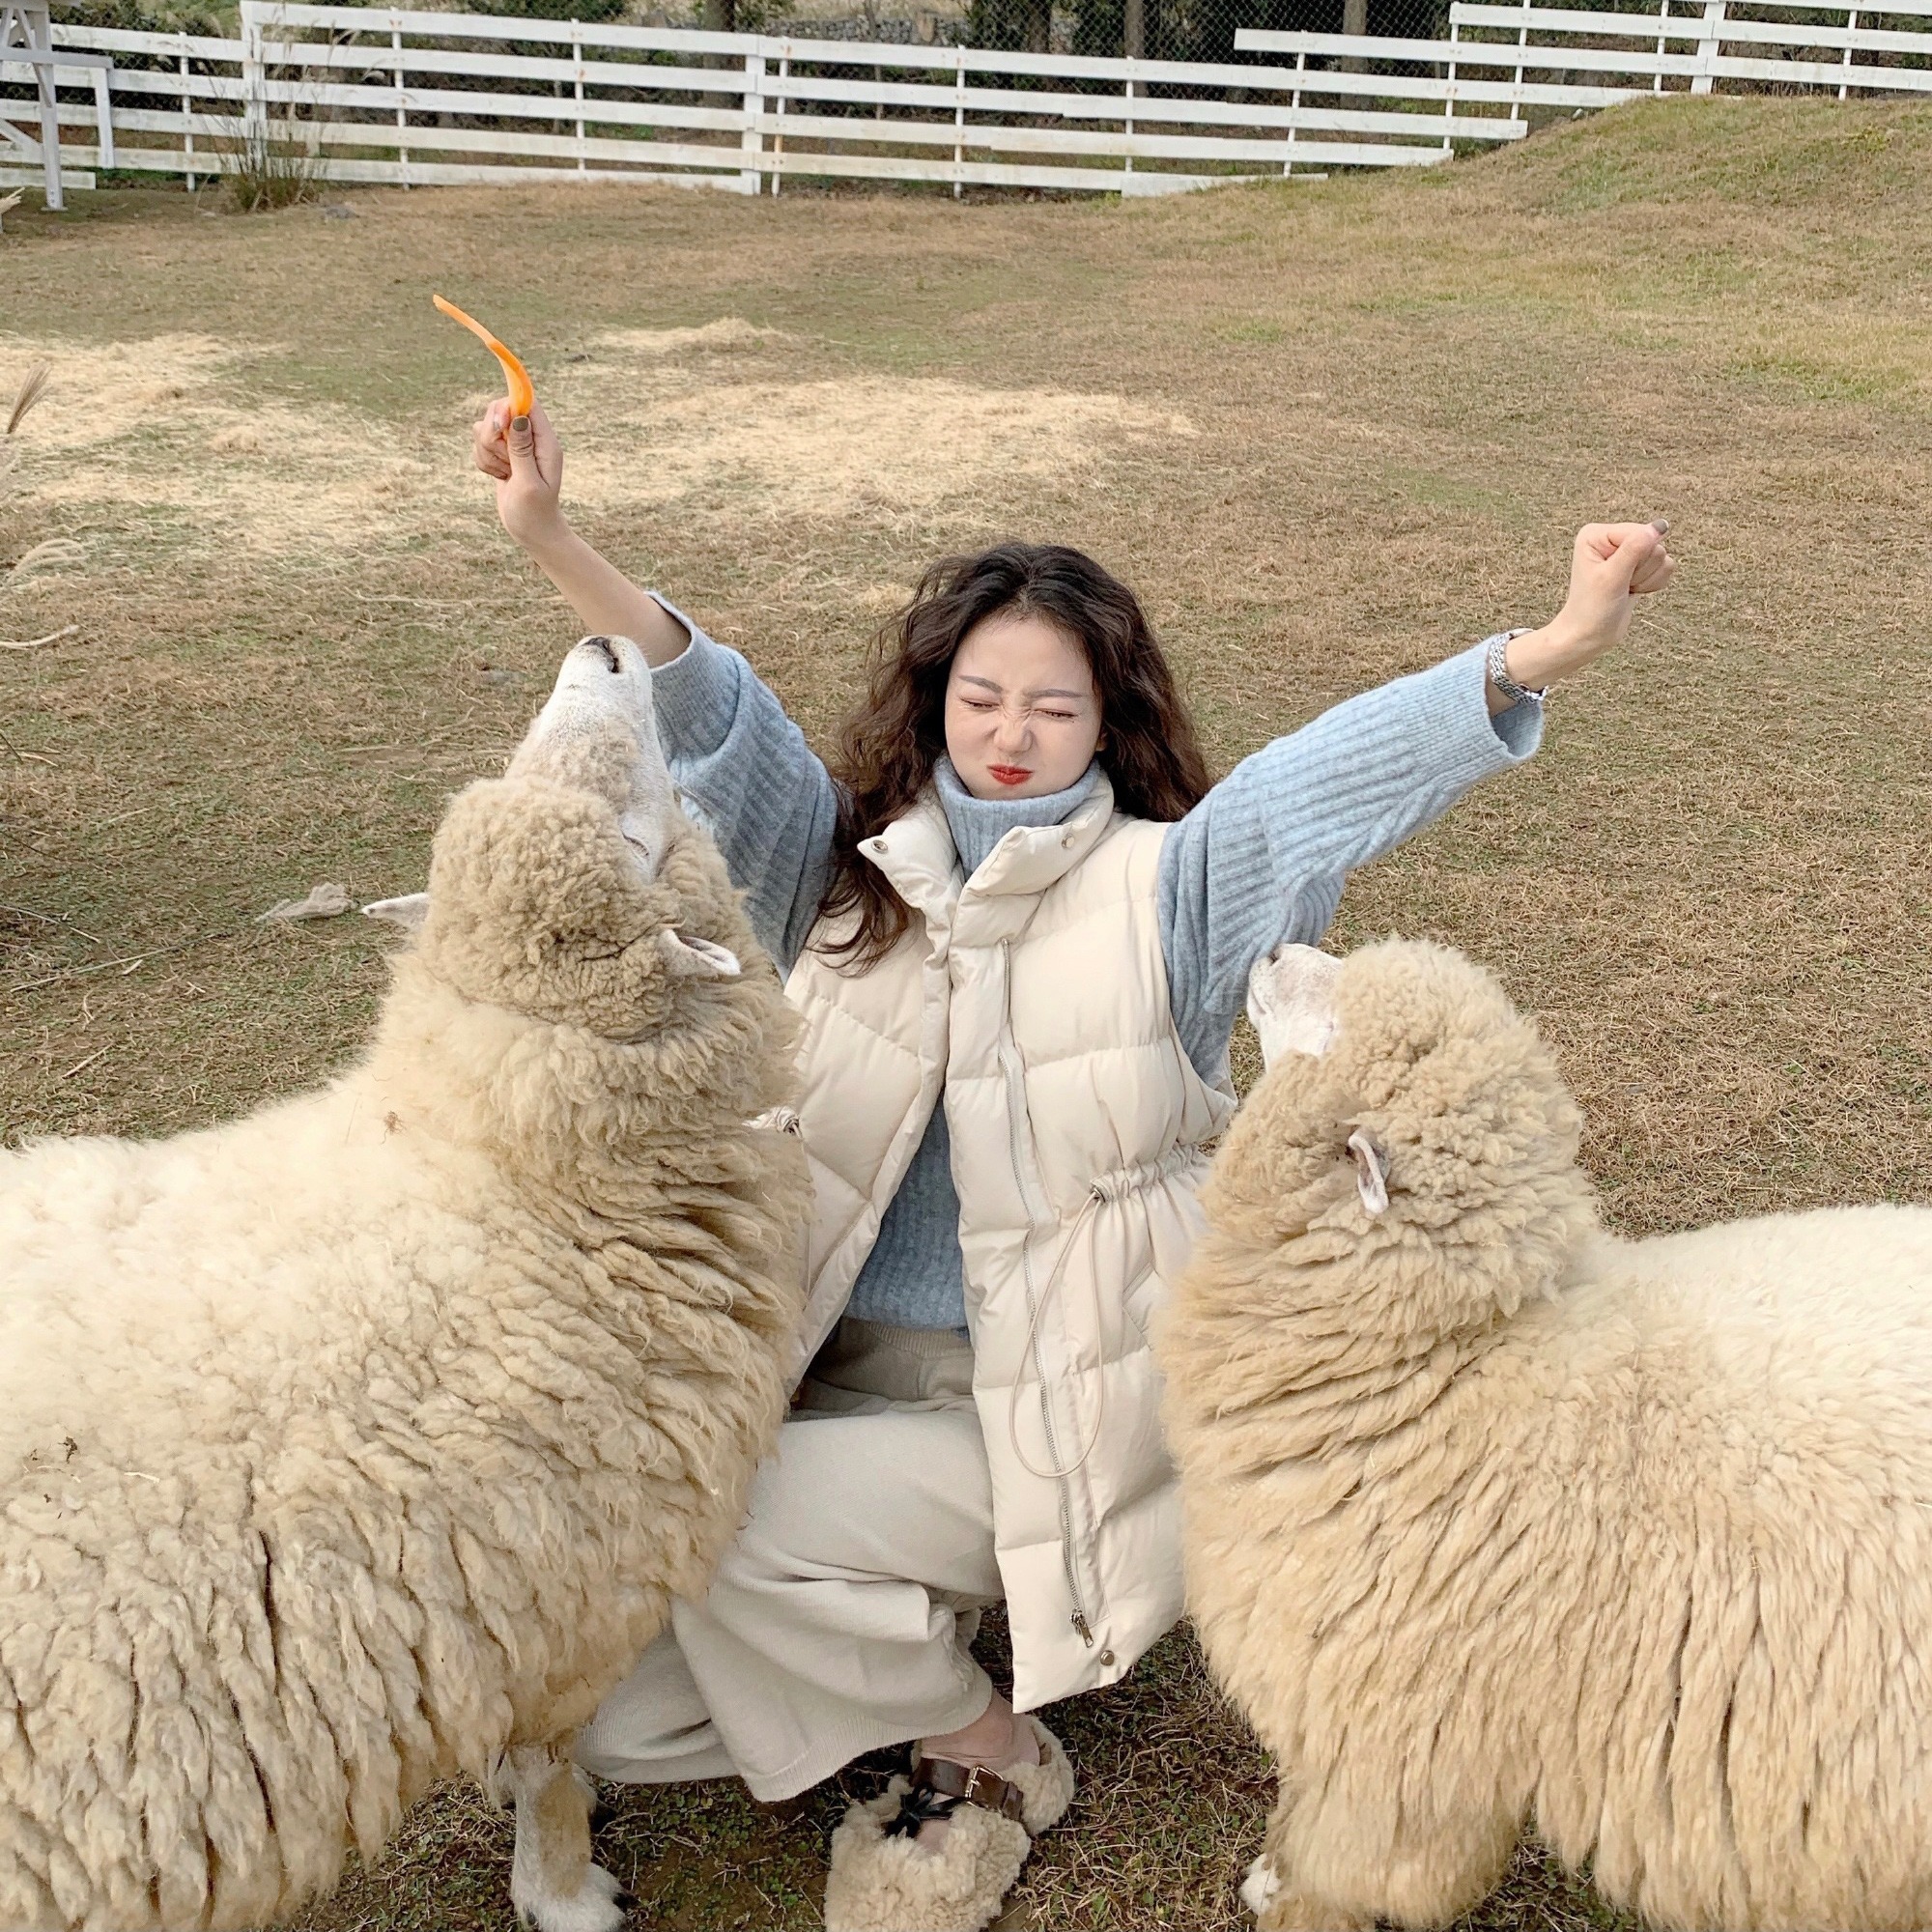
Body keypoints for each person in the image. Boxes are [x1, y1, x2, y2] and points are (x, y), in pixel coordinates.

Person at [470, 398, 1674, 1932]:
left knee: (730, 1529)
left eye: (1053, 705)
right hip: (833, 1379)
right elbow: (717, 718)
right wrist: (553, 537)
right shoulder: (842, 881)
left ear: (1107, 721)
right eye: (981, 698)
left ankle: (989, 1744)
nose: (1012, 734)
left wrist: (1542, 651)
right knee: (635, 1718)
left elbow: (1314, 783)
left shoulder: (1167, 890)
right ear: (935, 702)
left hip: (1050, 1406)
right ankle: (910, 1630)